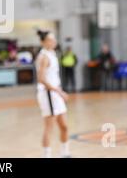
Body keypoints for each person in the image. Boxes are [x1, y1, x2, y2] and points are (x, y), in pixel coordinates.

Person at [35, 30, 70, 158]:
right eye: (50, 39)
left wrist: (59, 92)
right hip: (48, 93)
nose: (54, 41)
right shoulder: (43, 57)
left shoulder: (52, 53)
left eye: (54, 39)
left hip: (56, 93)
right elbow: (41, 79)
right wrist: (60, 92)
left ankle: (65, 153)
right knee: (49, 127)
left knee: (64, 126)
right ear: (43, 42)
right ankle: (46, 155)